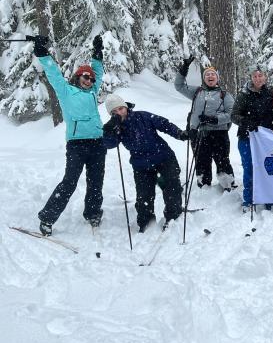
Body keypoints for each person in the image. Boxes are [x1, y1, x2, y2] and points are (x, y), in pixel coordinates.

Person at [33, 34, 107, 236]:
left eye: (91, 78)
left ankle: (92, 212)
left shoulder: (92, 91)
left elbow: (98, 72)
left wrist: (97, 55)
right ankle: (47, 217)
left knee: (96, 181)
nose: (89, 80)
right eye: (86, 76)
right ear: (78, 77)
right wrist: (42, 52)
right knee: (70, 182)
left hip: (97, 143)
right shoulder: (66, 91)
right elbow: (54, 73)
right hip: (77, 144)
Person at [102, 94, 189, 232]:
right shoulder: (116, 127)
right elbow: (110, 144)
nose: (119, 113)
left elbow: (164, 124)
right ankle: (146, 221)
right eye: (114, 112)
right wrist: (107, 131)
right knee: (144, 197)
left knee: (171, 187)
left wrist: (179, 134)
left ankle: (173, 215)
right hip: (141, 165)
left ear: (125, 107)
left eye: (120, 109)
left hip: (163, 158)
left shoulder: (142, 116)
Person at [175, 57, 236, 191]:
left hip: (219, 133)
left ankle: (228, 186)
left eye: (212, 74)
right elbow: (178, 86)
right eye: (207, 74)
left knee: (222, 160)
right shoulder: (197, 92)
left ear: (217, 78)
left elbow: (231, 114)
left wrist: (214, 119)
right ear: (204, 78)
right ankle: (204, 185)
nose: (210, 76)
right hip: (199, 133)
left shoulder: (224, 95)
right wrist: (183, 70)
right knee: (202, 161)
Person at [230, 65, 273, 209]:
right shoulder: (244, 94)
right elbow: (234, 115)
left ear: (265, 77)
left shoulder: (272, 92)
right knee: (249, 168)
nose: (258, 78)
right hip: (247, 137)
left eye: (260, 75)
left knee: (269, 168)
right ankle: (249, 199)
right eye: (255, 76)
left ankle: (270, 197)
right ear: (251, 78)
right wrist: (246, 122)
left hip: (267, 139)